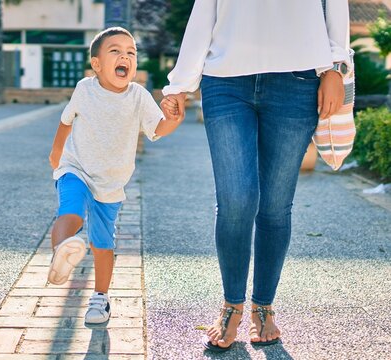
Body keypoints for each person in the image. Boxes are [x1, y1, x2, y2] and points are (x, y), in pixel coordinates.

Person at [161, 0, 351, 352]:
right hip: (225, 81)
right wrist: (180, 83)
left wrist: (336, 67)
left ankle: (263, 307)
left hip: (298, 81)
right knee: (236, 200)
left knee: (276, 206)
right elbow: (205, 10)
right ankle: (232, 305)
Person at [48, 27, 184, 325]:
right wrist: (56, 153)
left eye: (131, 52)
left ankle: (100, 297)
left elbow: (156, 130)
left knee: (103, 242)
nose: (125, 56)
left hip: (111, 183)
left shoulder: (139, 96)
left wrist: (172, 121)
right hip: (76, 168)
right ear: (96, 64)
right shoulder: (85, 89)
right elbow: (65, 120)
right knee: (71, 211)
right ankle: (61, 250)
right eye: (115, 51)